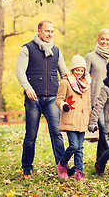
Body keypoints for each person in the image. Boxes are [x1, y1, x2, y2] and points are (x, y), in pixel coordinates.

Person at [16, 20, 68, 177]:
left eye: (52, 31)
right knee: (31, 135)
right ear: (39, 31)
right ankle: (27, 168)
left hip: (52, 98)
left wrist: (77, 79)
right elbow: (20, 71)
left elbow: (64, 72)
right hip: (33, 99)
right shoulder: (27, 49)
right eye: (47, 31)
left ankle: (62, 168)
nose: (50, 34)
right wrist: (27, 87)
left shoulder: (56, 51)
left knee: (57, 134)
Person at [85, 29, 109, 173]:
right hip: (97, 101)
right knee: (105, 131)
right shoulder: (90, 57)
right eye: (102, 39)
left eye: (107, 39)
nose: (104, 42)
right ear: (98, 39)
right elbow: (84, 81)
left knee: (106, 134)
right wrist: (87, 104)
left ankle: (100, 164)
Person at [55, 55, 91, 181]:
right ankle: (62, 165)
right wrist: (63, 105)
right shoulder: (65, 83)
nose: (79, 73)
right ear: (72, 70)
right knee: (74, 146)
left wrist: (91, 120)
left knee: (80, 149)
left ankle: (78, 173)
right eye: (77, 70)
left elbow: (88, 104)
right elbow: (58, 99)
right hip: (71, 119)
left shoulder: (86, 85)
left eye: (82, 70)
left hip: (82, 121)